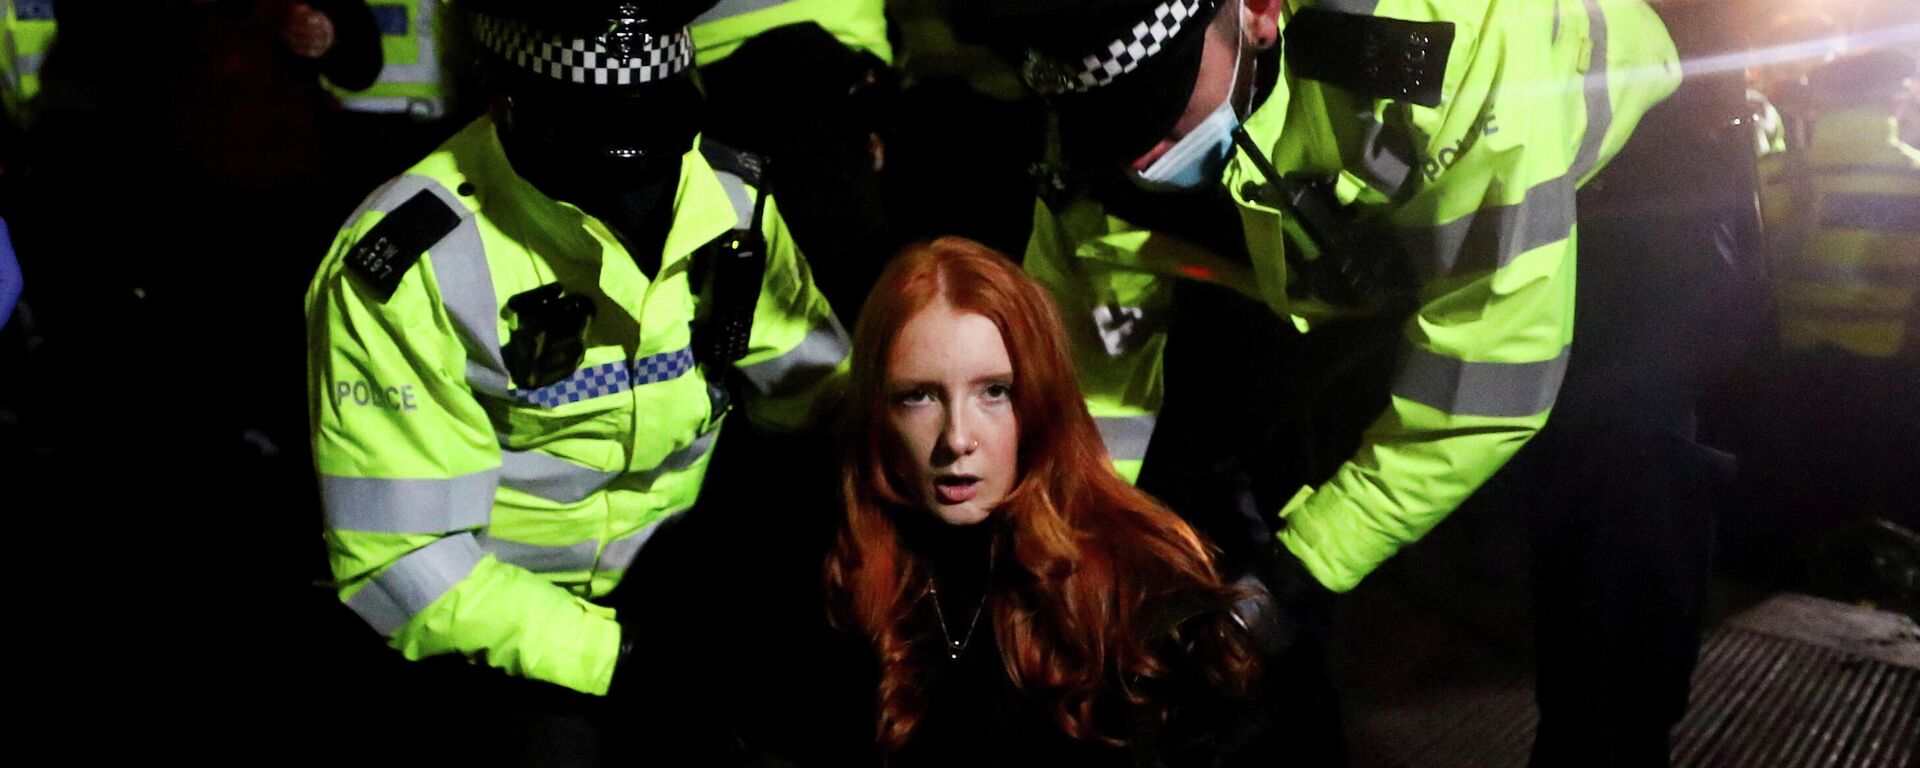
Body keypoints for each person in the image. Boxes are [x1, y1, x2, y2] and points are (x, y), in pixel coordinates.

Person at [959, 0, 1680, 761]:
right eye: (1115, 127)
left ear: (1258, 12)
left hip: (1620, 170)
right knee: (1239, 453)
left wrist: (1304, 567)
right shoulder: (1102, 148)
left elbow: (1491, 368)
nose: (1145, 159)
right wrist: (1052, 557)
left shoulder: (1448, 43)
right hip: (1365, 222)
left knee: (1623, 480)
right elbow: (1089, 388)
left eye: (1164, 109)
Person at [306, 0, 849, 761]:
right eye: (589, 155)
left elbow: (826, 405)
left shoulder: (729, 202)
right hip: (503, 629)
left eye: (659, 147)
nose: (638, 187)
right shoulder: (410, 264)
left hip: (686, 586)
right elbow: (401, 559)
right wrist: (622, 661)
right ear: (501, 99)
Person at [823, 237, 1278, 767]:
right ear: (880, 411)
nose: (957, 438)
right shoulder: (857, 564)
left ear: (1038, 398)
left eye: (994, 391)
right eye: (919, 395)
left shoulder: (1143, 597)